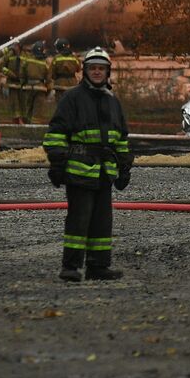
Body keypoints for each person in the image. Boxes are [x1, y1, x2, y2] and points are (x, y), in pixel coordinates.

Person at [44, 47, 133, 282]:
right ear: (85, 71)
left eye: (100, 69)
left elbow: (121, 138)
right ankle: (71, 267)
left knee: (102, 223)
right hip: (79, 171)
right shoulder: (72, 98)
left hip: (105, 173)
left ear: (107, 72)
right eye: (92, 68)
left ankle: (98, 266)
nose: (96, 72)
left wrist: (124, 167)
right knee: (78, 221)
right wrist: (58, 163)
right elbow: (56, 133)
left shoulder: (112, 101)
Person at [14, 41, 52, 123]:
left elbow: (21, 74)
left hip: (27, 88)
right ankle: (34, 127)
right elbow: (49, 79)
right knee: (37, 111)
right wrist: (48, 90)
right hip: (40, 89)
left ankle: (27, 126)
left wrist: (23, 84)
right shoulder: (45, 63)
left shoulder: (27, 61)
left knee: (28, 109)